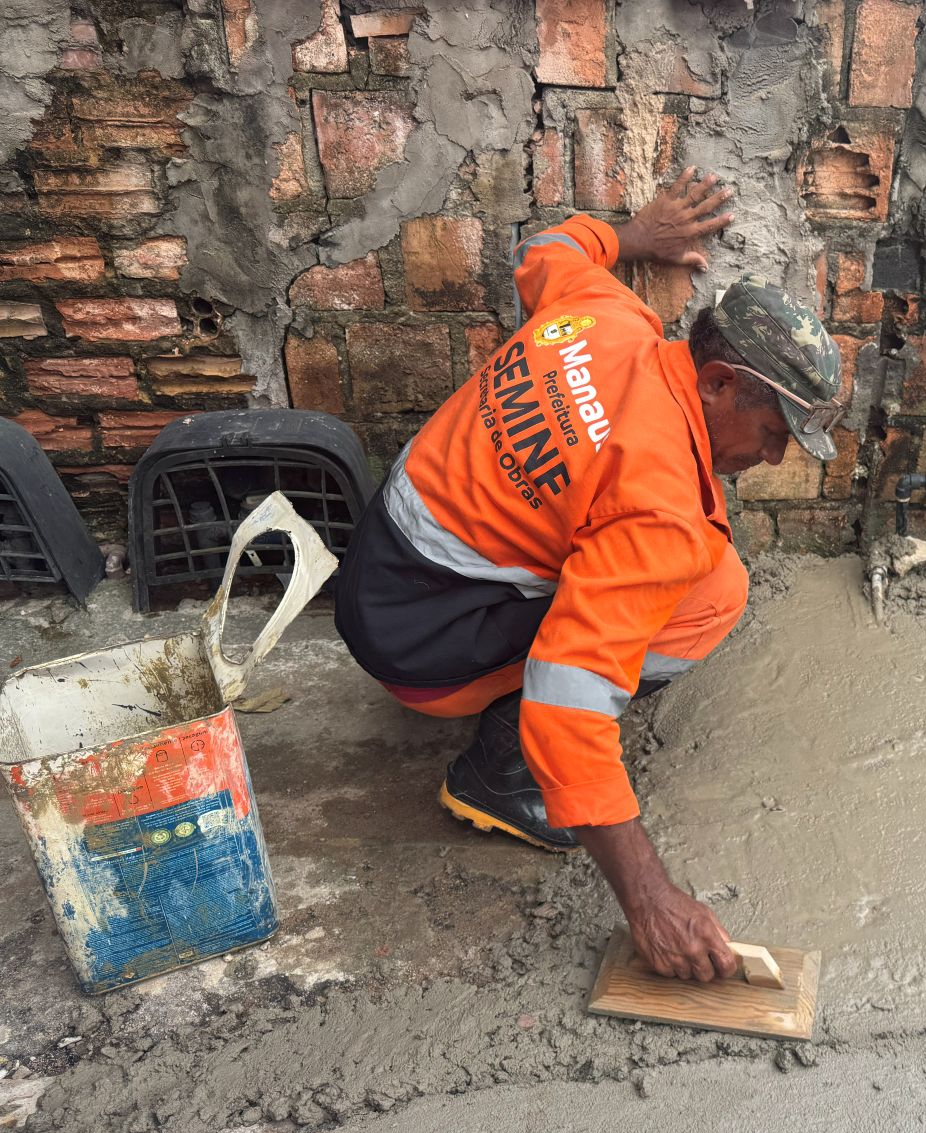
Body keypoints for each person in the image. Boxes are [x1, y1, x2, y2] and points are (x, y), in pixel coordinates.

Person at [334, 169, 845, 983]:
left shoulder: (609, 313)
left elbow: (543, 250)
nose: (776, 456)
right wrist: (650, 898)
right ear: (717, 383)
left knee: (681, 570)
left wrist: (633, 236)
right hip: (418, 650)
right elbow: (569, 704)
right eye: (775, 430)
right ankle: (498, 775)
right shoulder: (661, 507)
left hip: (377, 562)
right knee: (713, 595)